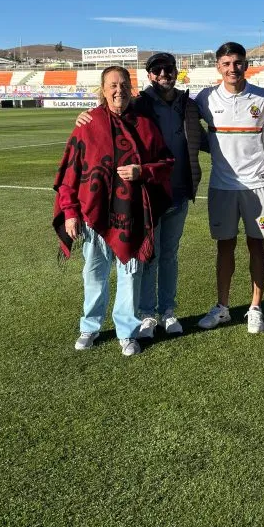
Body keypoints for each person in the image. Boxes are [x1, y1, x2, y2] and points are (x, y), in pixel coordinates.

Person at [75, 52, 206, 339]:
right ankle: (146, 314)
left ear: (175, 71)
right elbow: (109, 113)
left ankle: (167, 311)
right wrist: (86, 115)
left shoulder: (188, 105)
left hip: (178, 192)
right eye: (157, 70)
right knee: (148, 257)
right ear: (149, 75)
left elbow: (207, 138)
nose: (163, 74)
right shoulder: (141, 104)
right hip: (147, 198)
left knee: (168, 256)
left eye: (168, 69)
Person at [53, 66, 173, 356]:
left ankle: (126, 331)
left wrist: (142, 170)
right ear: (103, 89)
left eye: (123, 85)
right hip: (93, 215)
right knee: (94, 273)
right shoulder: (88, 123)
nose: (118, 90)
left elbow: (166, 162)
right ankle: (89, 327)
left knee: (130, 275)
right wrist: (69, 211)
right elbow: (71, 172)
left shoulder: (145, 125)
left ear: (132, 88)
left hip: (132, 216)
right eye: (112, 85)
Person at [194, 42, 264, 334]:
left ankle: (255, 307)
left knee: (257, 245)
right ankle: (223, 307)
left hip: (257, 185)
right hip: (222, 187)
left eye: (237, 63)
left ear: (246, 65)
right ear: (218, 66)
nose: (232, 69)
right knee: (224, 246)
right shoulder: (205, 98)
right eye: (226, 63)